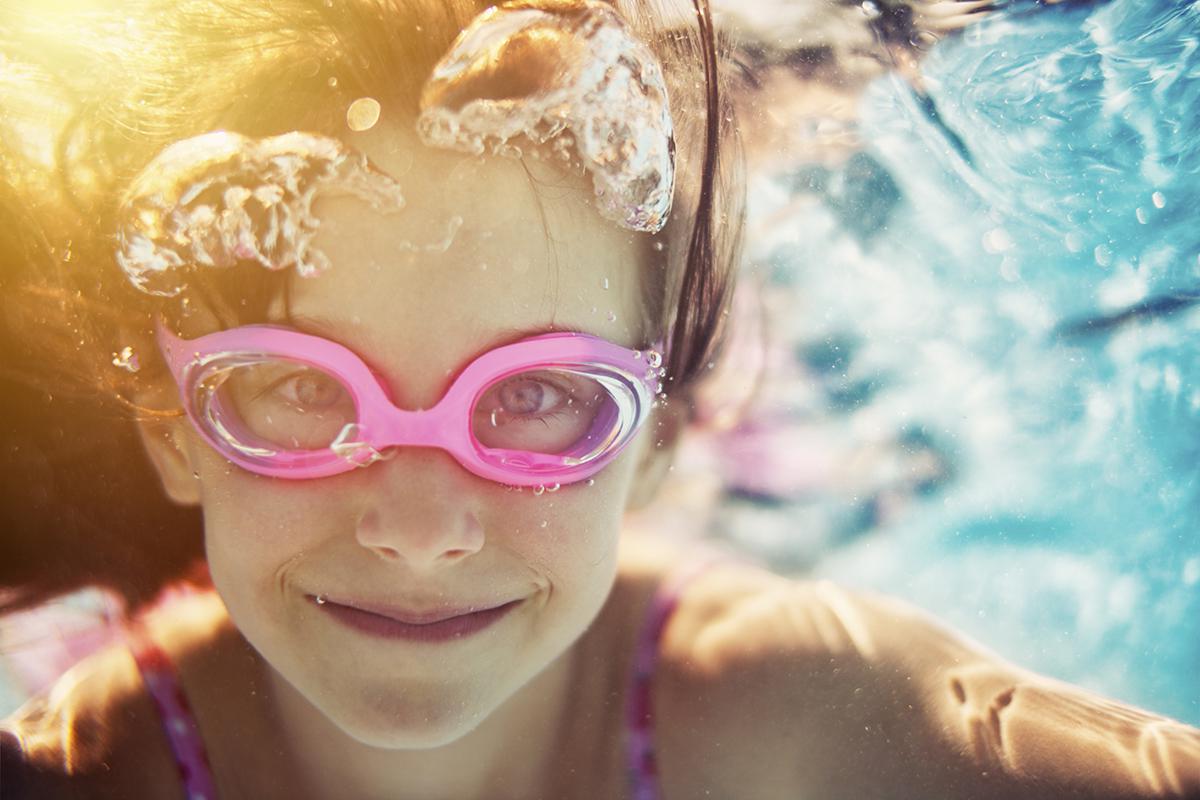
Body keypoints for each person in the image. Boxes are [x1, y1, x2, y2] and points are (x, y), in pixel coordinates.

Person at [1, 1, 1198, 798]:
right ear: (172, 422)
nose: (421, 525)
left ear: (663, 439)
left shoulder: (780, 717)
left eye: (536, 396)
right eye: (295, 389)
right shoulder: (78, 768)